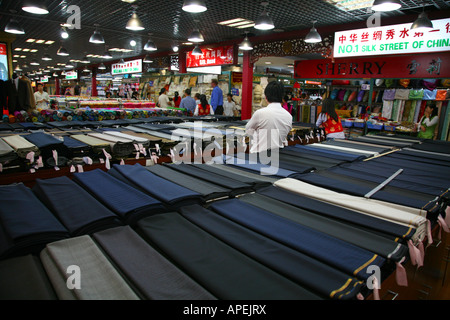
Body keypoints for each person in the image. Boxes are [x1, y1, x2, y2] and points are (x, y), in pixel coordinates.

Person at [245, 81, 293, 153]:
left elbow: (248, 131)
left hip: (258, 156)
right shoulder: (289, 116)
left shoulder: (260, 113)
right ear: (282, 97)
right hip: (279, 155)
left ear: (266, 97)